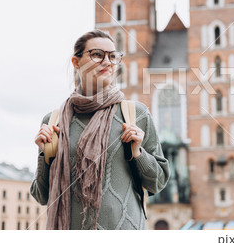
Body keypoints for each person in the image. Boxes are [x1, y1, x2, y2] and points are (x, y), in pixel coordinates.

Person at [30, 30, 170, 230]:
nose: (108, 62)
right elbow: (41, 195)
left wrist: (139, 153)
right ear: (76, 62)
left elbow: (159, 182)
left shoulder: (135, 114)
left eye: (113, 56)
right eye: (97, 54)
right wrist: (45, 155)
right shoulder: (54, 121)